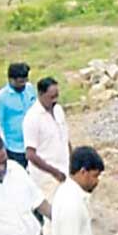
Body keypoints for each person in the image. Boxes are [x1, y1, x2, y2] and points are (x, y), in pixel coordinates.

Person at [24, 77, 71, 210]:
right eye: (51, 97)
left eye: (56, 96)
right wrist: (54, 172)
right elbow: (30, 155)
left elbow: (65, 138)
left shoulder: (58, 110)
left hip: (64, 171)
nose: (54, 100)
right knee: (52, 215)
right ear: (40, 94)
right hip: (47, 177)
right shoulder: (32, 118)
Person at [0, 62, 36, 168]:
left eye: (25, 81)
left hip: (32, 143)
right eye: (20, 82)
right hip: (14, 148)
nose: (23, 85)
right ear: (11, 80)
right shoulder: (2, 98)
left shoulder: (30, 89)